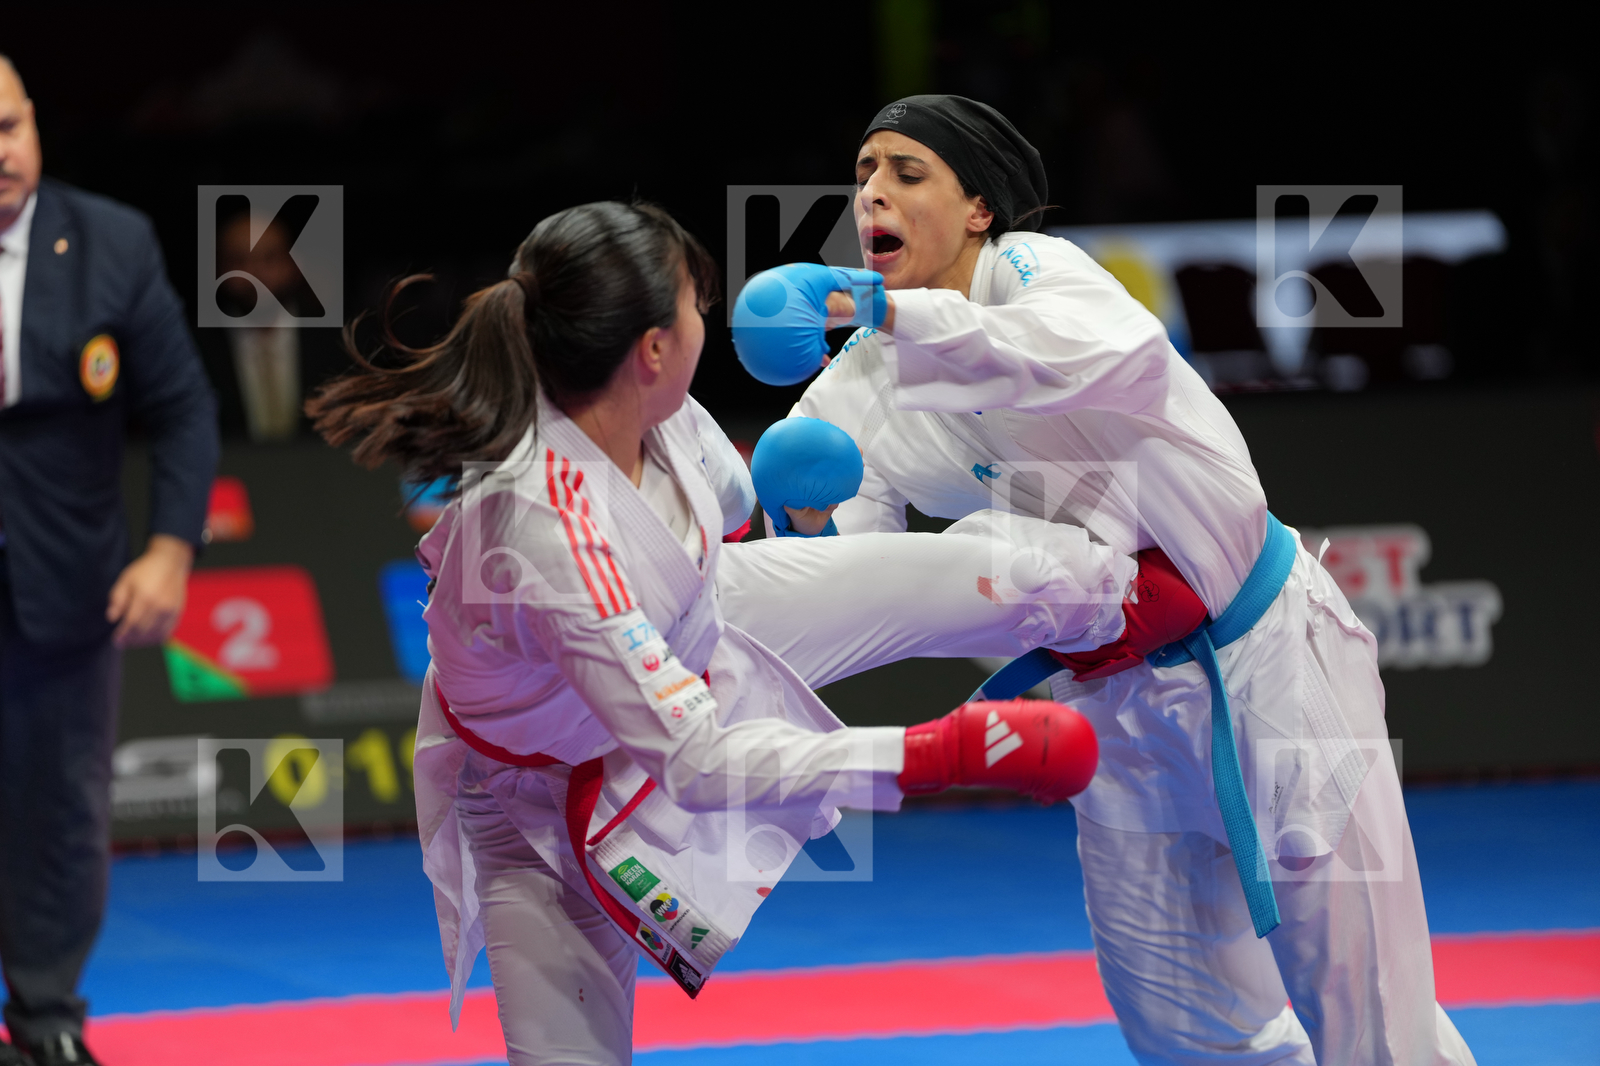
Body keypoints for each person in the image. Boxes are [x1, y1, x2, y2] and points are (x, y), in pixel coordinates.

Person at [730, 95, 1476, 1065]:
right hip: (1115, 705)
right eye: (864, 172)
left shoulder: (1040, 273)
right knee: (1182, 1025)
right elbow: (849, 569)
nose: (872, 191)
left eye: (907, 172)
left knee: (1366, 1006)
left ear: (979, 209)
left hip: (1269, 666)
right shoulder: (864, 378)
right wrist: (803, 519)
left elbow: (1096, 357)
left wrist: (873, 305)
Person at [309, 200, 1116, 1065]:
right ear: (654, 347)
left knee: (956, 577)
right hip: (541, 791)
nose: (711, 321)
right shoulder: (543, 527)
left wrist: (803, 529)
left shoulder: (663, 414)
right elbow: (695, 762)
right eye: (697, 304)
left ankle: (1135, 591)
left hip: (699, 625)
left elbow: (731, 521)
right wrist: (938, 754)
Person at [0, 56, 219, 1066]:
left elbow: (181, 406)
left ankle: (46, 1018)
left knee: (61, 808)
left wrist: (170, 548)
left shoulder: (109, 240)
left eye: (10, 126)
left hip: (67, 574)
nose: (1, 153)